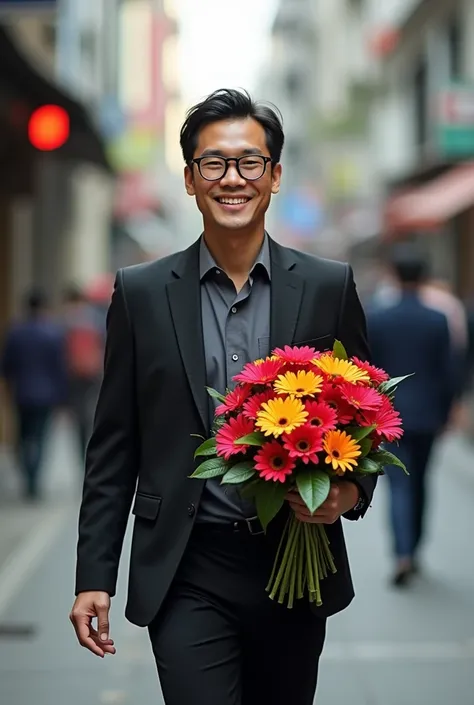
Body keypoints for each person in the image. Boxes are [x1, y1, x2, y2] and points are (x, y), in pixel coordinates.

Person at [70, 89, 376, 705]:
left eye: (248, 163)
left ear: (275, 175)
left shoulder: (326, 286)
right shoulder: (141, 293)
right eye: (213, 164)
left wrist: (347, 492)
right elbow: (113, 445)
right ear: (189, 179)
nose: (231, 179)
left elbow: (366, 417)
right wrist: (93, 576)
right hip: (185, 567)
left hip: (294, 561)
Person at [367, 247, 456, 587]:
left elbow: (370, 369)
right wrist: (448, 411)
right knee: (421, 482)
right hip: (429, 413)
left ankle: (402, 553)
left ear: (394, 273)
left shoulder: (378, 316)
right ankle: (415, 550)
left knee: (399, 485)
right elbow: (449, 370)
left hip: (390, 417)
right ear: (423, 277)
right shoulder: (438, 318)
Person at [1, 288, 66, 500]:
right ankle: (34, 480)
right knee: (40, 438)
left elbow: (6, 366)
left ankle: (28, 476)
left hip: (22, 393)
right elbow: (59, 367)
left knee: (22, 436)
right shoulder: (53, 334)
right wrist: (61, 397)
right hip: (47, 395)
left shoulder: (16, 332)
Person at [62, 285, 105, 461]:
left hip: (73, 372)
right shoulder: (96, 319)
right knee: (91, 410)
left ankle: (82, 449)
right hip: (93, 371)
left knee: (78, 412)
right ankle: (90, 445)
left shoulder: (67, 321)